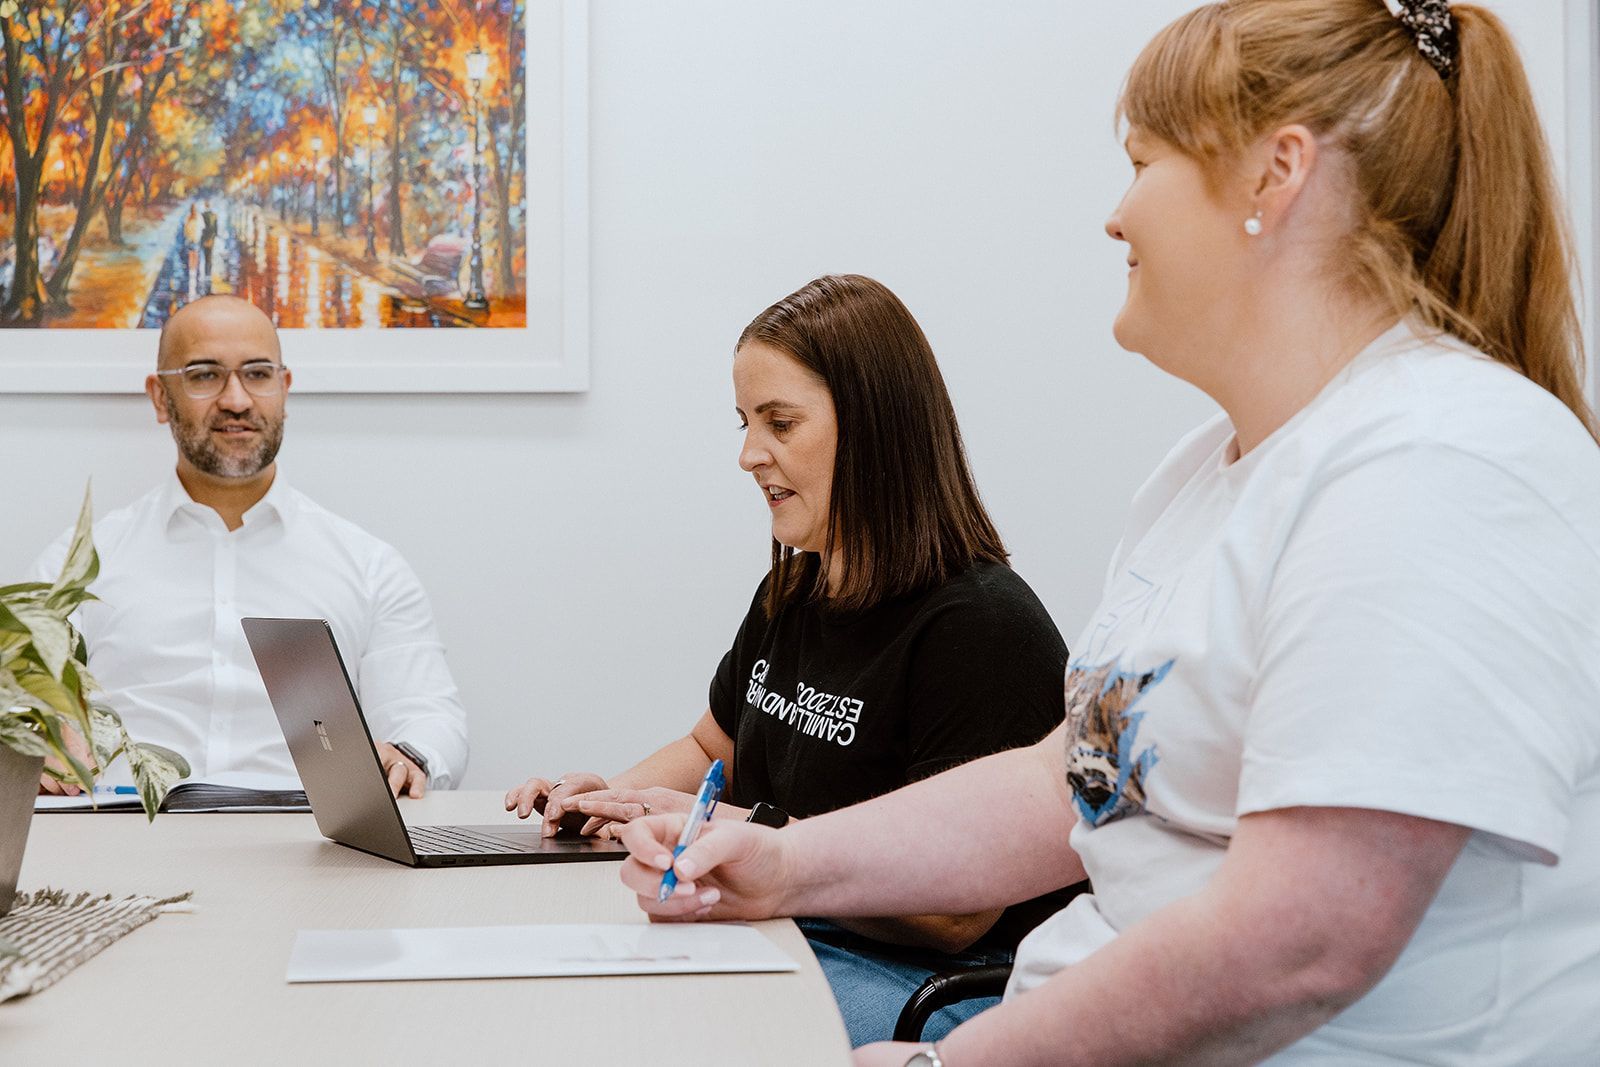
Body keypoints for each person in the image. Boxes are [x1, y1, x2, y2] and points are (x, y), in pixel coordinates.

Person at [615, 3, 1600, 1065]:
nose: (1115, 214)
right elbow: (1071, 782)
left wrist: (953, 1062)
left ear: (1277, 175)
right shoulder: (1206, 475)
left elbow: (1303, 938)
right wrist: (784, 860)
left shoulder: (1440, 462)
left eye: (1142, 160)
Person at [506, 274, 1072, 1046]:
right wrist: (615, 797)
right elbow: (715, 748)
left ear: (877, 429)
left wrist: (755, 835)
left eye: (780, 422)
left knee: (647, 1030)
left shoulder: (984, 626)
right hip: (787, 928)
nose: (748, 454)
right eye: (745, 422)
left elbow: (952, 914)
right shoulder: (797, 588)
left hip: (926, 983)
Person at [32, 294, 468, 798]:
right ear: (159, 397)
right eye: (203, 375)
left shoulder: (370, 567)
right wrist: (36, 739)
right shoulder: (79, 563)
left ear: (284, 389)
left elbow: (430, 718)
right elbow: (18, 702)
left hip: (311, 852)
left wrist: (409, 755)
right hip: (123, 847)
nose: (236, 400)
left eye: (258, 374)